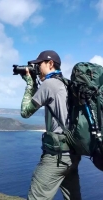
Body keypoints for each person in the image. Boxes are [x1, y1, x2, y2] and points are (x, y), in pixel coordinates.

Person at [20, 50, 82, 200]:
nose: (37, 68)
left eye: (38, 64)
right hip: (73, 154)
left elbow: (25, 112)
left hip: (57, 156)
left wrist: (30, 83)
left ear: (50, 64)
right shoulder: (67, 83)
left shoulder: (49, 84)